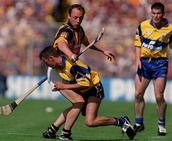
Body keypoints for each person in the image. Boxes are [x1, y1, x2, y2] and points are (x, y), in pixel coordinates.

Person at [40, 46, 136, 140]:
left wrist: (64, 86)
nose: (46, 65)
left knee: (90, 121)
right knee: (76, 105)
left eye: (46, 62)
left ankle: (121, 121)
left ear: (51, 58)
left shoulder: (72, 67)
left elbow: (85, 84)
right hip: (82, 89)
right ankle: (55, 131)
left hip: (93, 89)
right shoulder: (58, 65)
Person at [134, 2, 172, 136]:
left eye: (158, 13)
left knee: (159, 96)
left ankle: (161, 124)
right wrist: (137, 59)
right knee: (138, 94)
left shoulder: (170, 29)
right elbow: (138, 43)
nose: (156, 16)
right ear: (151, 13)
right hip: (144, 63)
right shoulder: (143, 25)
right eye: (154, 13)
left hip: (160, 63)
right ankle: (139, 123)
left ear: (163, 14)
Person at [51, 4, 115, 62]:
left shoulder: (80, 30)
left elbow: (88, 43)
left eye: (81, 18)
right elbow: (61, 44)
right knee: (91, 74)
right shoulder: (66, 30)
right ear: (69, 16)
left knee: (91, 74)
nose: (78, 21)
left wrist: (103, 51)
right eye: (75, 17)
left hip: (69, 64)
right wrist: (71, 55)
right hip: (59, 67)